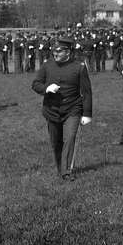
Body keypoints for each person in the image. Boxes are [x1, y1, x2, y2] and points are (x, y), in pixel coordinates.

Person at [31, 36, 93, 181]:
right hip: (51, 110)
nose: (55, 54)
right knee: (55, 142)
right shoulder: (47, 65)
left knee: (70, 138)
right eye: (54, 51)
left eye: (59, 51)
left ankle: (67, 171)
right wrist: (47, 88)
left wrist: (87, 114)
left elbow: (87, 91)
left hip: (72, 109)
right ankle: (61, 167)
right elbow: (35, 84)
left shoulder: (79, 67)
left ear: (68, 52)